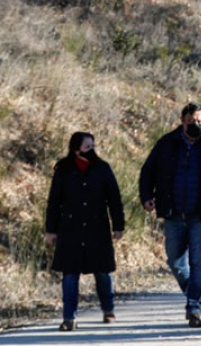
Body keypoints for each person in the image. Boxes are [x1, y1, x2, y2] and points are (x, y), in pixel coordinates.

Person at [138, 102, 201, 328]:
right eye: (191, 121)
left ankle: (195, 307)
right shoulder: (166, 144)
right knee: (175, 261)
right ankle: (193, 292)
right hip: (174, 213)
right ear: (182, 121)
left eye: (200, 122)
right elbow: (147, 170)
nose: (195, 125)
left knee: (198, 262)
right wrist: (146, 196)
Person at [45, 132, 125, 331]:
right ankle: (69, 317)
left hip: (97, 228)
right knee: (70, 275)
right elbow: (54, 202)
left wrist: (118, 226)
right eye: (87, 147)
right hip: (70, 229)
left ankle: (108, 309)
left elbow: (114, 199)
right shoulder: (63, 170)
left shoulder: (102, 168)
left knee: (103, 274)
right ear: (76, 149)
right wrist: (51, 230)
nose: (92, 150)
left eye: (92, 146)